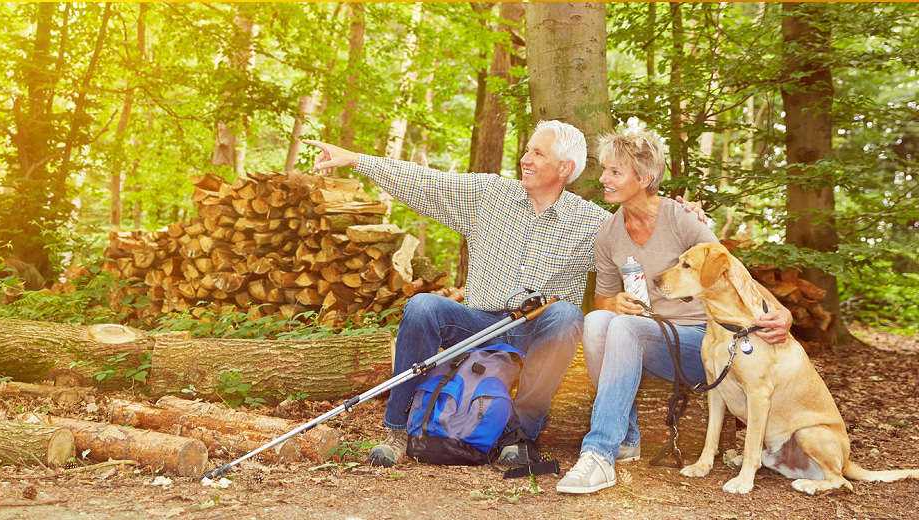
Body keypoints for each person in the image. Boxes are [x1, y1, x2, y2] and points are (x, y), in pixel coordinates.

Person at [306, 120, 609, 467]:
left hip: (535, 331)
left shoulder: (592, 222)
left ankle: (520, 437)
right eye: (527, 150)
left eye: (538, 153)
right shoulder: (490, 194)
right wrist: (357, 160)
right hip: (478, 323)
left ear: (565, 168)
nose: (525, 159)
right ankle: (398, 431)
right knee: (423, 306)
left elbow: (636, 243)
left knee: (567, 315)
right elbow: (426, 182)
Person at [555, 127, 793, 494]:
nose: (603, 179)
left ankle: (598, 454)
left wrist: (782, 311)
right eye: (604, 170)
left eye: (615, 171)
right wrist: (613, 303)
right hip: (650, 339)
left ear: (643, 178)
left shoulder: (681, 218)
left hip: (705, 342)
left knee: (624, 328)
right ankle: (626, 440)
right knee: (599, 320)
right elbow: (603, 299)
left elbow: (730, 269)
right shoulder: (608, 234)